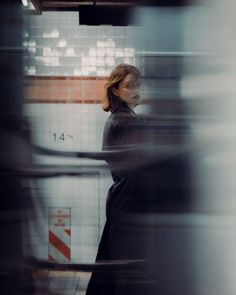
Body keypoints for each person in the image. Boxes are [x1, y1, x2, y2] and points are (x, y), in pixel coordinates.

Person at [85, 64, 147, 295]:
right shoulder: (125, 121)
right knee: (124, 270)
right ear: (116, 90)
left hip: (122, 199)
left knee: (112, 266)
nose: (134, 90)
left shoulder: (120, 118)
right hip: (129, 201)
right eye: (128, 86)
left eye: (137, 85)